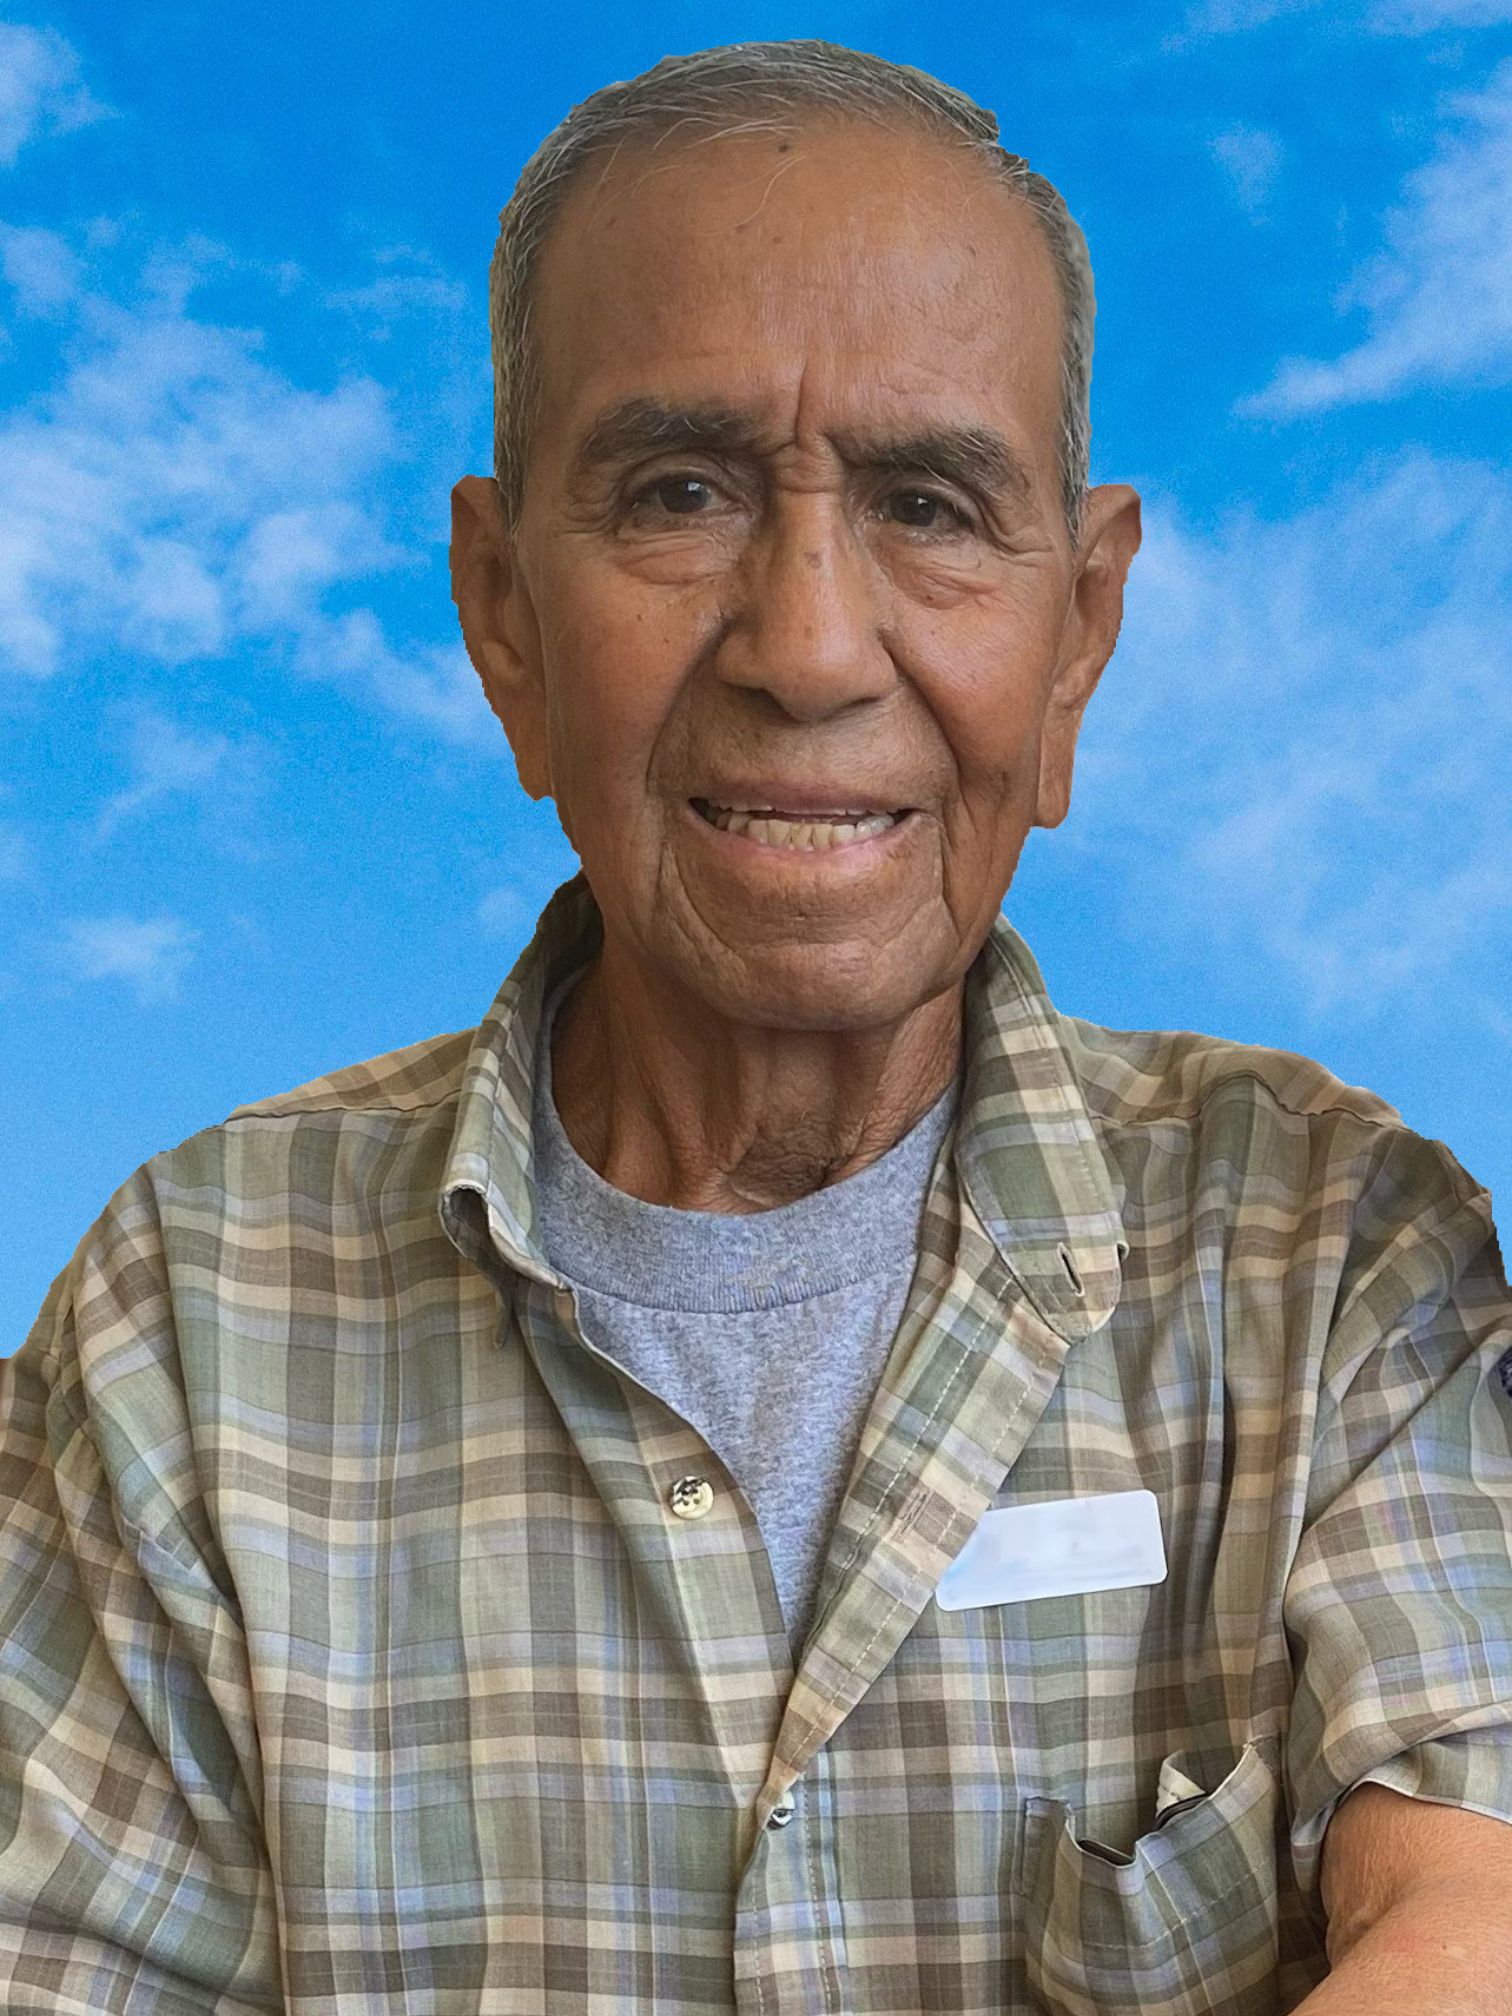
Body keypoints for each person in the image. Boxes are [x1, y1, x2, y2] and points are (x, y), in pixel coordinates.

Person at [3, 37, 1510, 2016]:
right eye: (683, 492)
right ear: (502, 613)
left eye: (928, 504)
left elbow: (1473, 1918)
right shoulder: (187, 1327)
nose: (805, 647)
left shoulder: (1341, 1264)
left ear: (1079, 635)